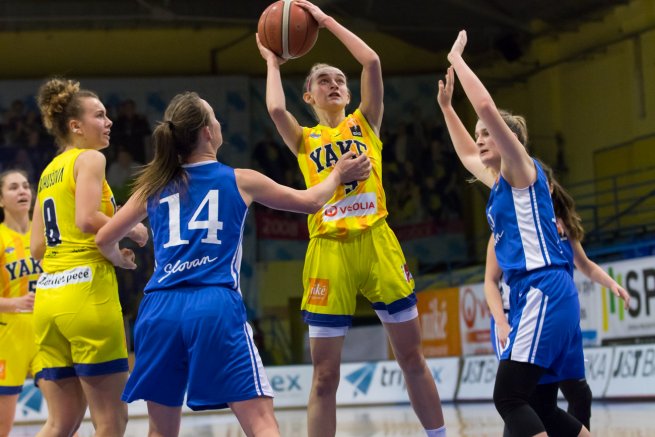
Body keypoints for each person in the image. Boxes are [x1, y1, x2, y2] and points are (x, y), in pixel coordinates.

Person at [94, 91, 371, 437]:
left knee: (160, 431)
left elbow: (103, 238)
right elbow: (312, 201)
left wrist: (121, 253)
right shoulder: (241, 179)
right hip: (212, 304)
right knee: (261, 424)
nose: (219, 123)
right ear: (208, 132)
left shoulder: (153, 184)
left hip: (158, 309)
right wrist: (339, 173)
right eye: (215, 118)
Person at [257, 2, 446, 436]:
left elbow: (372, 61)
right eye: (324, 80)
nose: (336, 84)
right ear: (309, 95)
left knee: (412, 358)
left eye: (340, 79)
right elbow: (274, 110)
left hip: (378, 241)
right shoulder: (305, 139)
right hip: (329, 250)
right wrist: (271, 60)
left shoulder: (366, 122)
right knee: (325, 376)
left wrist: (325, 23)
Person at [438, 30, 592, 437]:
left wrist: (458, 60)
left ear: (511, 141)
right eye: (478, 134)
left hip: (543, 287)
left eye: (487, 133)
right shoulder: (499, 185)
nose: (480, 139)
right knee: (538, 404)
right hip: (533, 294)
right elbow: (466, 154)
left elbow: (487, 106)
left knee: (508, 398)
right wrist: (446, 107)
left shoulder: (521, 170)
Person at [30, 77, 148, 437]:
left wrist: (114, 255)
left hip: (49, 298)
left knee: (60, 422)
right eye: (99, 115)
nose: (109, 121)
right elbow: (86, 219)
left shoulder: (50, 171)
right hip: (87, 296)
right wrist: (132, 228)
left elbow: (38, 248)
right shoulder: (91, 158)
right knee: (112, 420)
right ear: (75, 126)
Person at [485, 163, 631, 434]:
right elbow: (489, 281)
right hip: (517, 314)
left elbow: (585, 264)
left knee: (564, 396)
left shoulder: (558, 226)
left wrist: (612, 284)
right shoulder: (506, 227)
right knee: (518, 399)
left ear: (548, 188)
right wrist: (501, 322)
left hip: (552, 310)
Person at [0, 169, 41, 437]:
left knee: (66, 413)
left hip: (44, 332)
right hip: (8, 334)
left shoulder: (46, 236)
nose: (23, 191)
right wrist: (12, 303)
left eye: (26, 186)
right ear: (1, 199)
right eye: (14, 187)